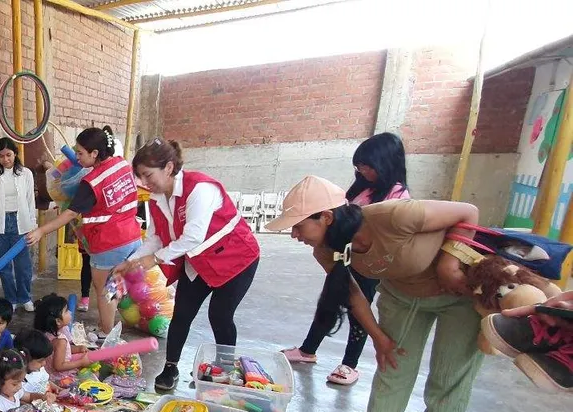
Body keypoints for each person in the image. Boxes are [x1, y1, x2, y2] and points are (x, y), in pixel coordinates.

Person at [266, 175, 483, 412]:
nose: (294, 234)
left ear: (326, 217)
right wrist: (378, 337)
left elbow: (468, 211)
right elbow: (352, 294)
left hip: (458, 294)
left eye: (298, 225)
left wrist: (449, 265)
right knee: (392, 365)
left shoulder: (393, 215)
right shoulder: (325, 250)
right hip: (402, 295)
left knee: (448, 377)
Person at [119, 139, 260, 392]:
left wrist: (153, 259)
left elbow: (193, 236)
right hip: (198, 262)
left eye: (148, 175)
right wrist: (130, 261)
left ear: (169, 167)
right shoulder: (157, 198)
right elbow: (156, 237)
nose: (144, 182)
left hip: (235, 259)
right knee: (182, 313)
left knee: (220, 314)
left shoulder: (200, 189)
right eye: (140, 176)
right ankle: (170, 367)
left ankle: (225, 370)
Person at [282, 133, 411, 386]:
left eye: (367, 165)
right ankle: (308, 350)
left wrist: (380, 339)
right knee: (331, 299)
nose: (362, 170)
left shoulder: (396, 199)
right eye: (359, 166)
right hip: (345, 255)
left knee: (357, 309)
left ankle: (350, 363)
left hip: (371, 261)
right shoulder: (360, 192)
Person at [26, 126, 142, 338]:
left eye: (80, 153)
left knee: (105, 292)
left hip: (108, 243)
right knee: (116, 287)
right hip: (133, 237)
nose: (77, 157)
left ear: (94, 153)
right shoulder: (122, 164)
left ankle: (107, 332)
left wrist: (41, 230)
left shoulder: (92, 182)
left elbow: (70, 214)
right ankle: (106, 324)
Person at [0, 137, 37, 311]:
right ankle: (11, 299)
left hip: (21, 223)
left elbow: (30, 201)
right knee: (4, 265)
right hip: (0, 224)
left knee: (23, 266)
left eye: (9, 155)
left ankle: (25, 297)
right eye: (1, 156)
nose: (5, 159)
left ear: (15, 154)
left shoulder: (26, 173)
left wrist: (33, 227)